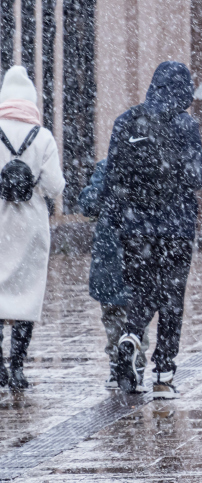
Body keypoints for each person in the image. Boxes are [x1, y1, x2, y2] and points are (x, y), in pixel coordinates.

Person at [104, 61, 202, 398]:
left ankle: (131, 336)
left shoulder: (127, 120)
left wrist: (120, 219)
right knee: (172, 299)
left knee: (141, 291)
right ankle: (163, 373)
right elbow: (198, 177)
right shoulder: (185, 124)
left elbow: (112, 177)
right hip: (177, 228)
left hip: (136, 227)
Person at [0, 66, 65, 390]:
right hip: (31, 224)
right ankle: (17, 367)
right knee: (27, 295)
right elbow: (54, 186)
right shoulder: (43, 136)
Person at [78, 159, 151, 390]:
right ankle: (132, 364)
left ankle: (120, 364)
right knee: (135, 309)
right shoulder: (147, 166)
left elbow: (89, 204)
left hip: (113, 249)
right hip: (134, 247)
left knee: (115, 311)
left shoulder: (109, 166)